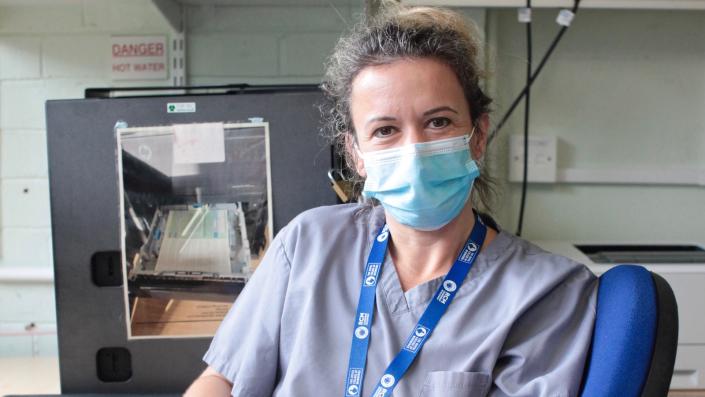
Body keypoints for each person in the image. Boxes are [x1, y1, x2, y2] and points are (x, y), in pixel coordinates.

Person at [185, 5, 597, 397]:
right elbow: (221, 380)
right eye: (385, 130)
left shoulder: (547, 293)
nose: (414, 149)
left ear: (478, 136)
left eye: (438, 122)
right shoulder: (307, 244)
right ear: (356, 154)